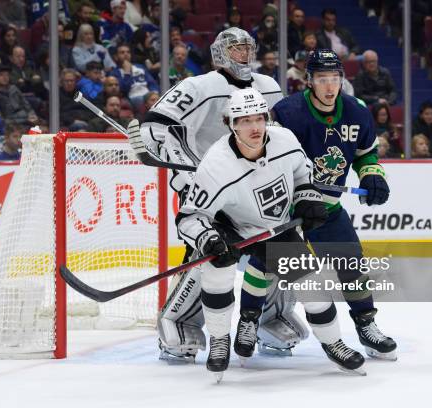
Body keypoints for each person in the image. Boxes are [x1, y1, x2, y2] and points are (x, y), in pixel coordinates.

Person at [131, 27, 308, 363]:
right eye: (237, 49)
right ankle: (180, 322)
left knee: (281, 248)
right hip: (214, 189)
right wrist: (188, 172)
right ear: (221, 53)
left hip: (258, 189)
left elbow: (286, 133)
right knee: (211, 256)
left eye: (247, 48)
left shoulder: (268, 86)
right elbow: (156, 127)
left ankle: (272, 317)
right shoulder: (199, 87)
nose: (244, 54)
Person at [177, 88, 363, 381]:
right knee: (218, 273)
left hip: (273, 226)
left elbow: (303, 176)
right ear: (231, 124)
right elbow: (189, 218)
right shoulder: (216, 166)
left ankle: (333, 342)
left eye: (259, 118)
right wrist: (208, 239)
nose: (254, 127)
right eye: (245, 120)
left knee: (312, 286)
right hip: (229, 227)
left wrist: (307, 200)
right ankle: (219, 340)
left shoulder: (285, 140)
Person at [272, 49, 398, 361]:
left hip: (326, 210)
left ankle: (366, 325)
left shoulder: (356, 111)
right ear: (309, 81)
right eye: (323, 79)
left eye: (335, 78)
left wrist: (371, 175)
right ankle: (254, 321)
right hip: (284, 213)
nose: (330, 86)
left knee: (352, 266)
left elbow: (365, 154)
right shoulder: (287, 113)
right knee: (279, 273)